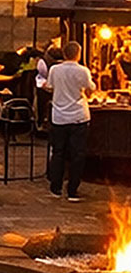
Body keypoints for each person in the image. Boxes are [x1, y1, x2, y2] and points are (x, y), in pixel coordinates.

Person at [45, 41, 94, 202]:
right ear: (78, 54)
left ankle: (55, 187)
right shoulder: (83, 71)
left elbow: (49, 87)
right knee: (77, 154)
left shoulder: (54, 70)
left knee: (58, 152)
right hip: (78, 116)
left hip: (59, 116)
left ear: (64, 54)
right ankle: (72, 190)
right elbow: (90, 87)